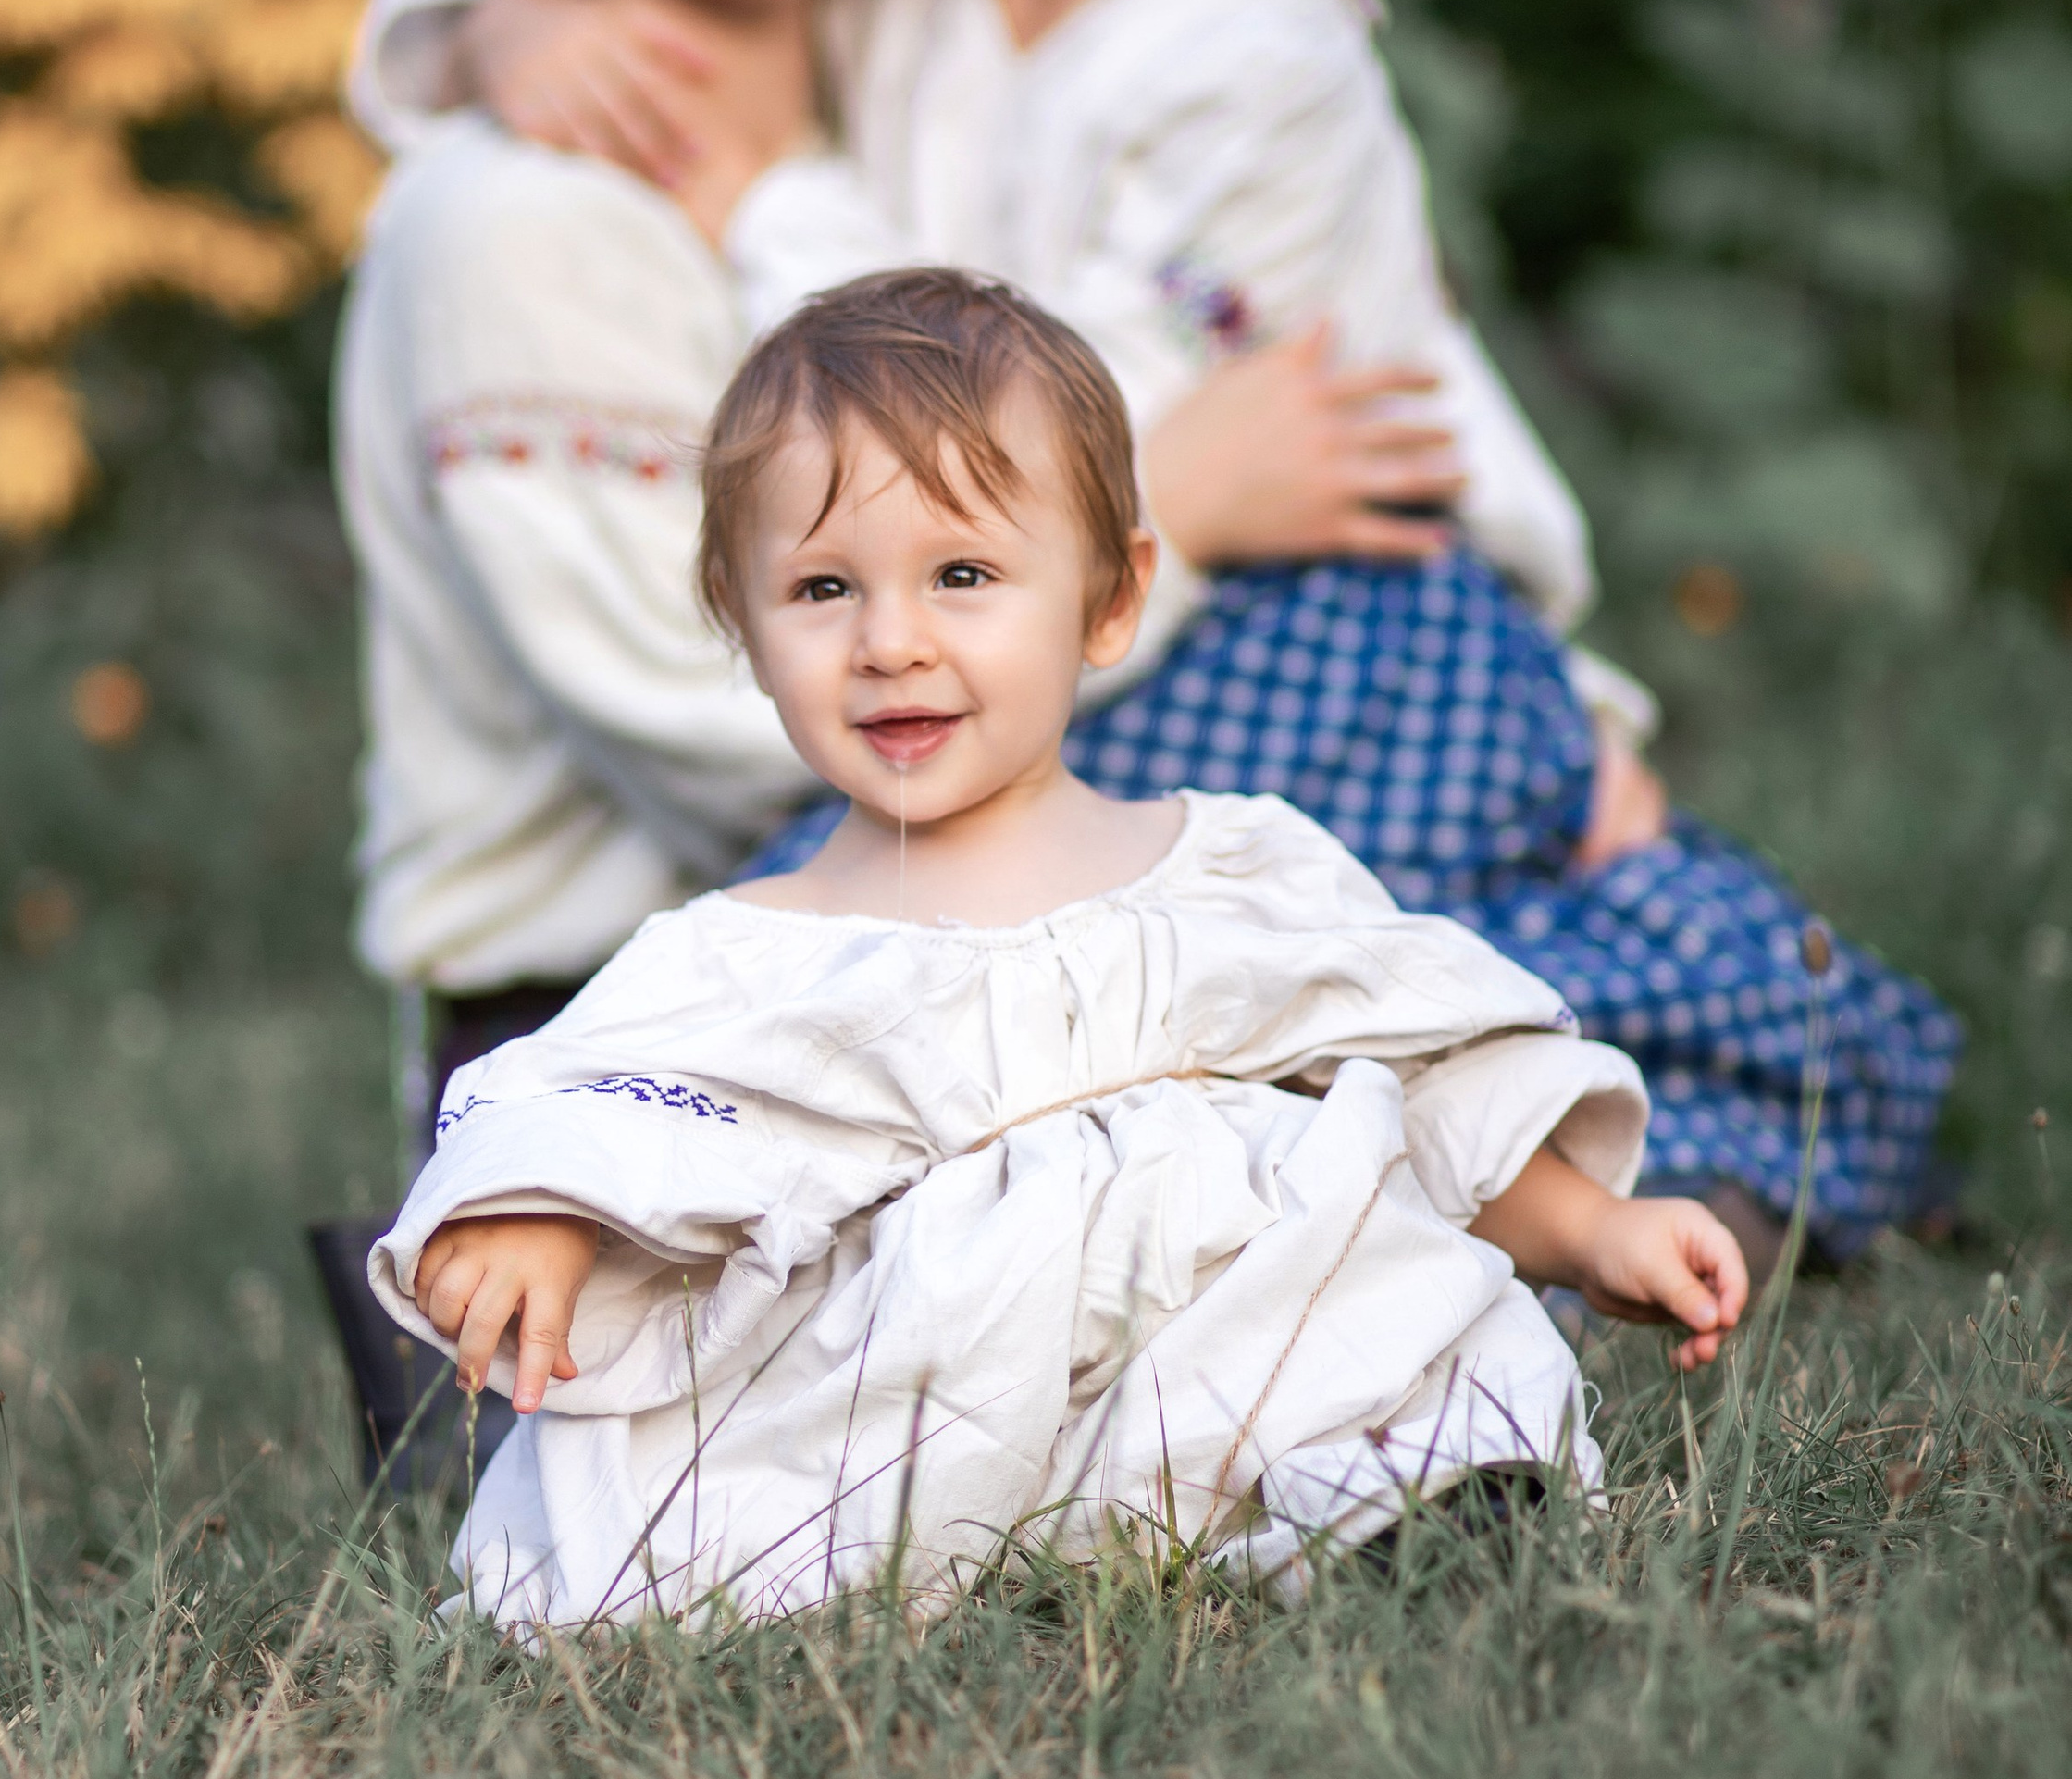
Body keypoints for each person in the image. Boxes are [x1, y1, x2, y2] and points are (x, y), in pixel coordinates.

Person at [355, 0, 1960, 1271]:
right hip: (1059, 642)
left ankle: (1679, 1190)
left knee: (1306, 1014)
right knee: (1128, 1062)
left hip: (1329, 634)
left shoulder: (1253, 53)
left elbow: (1040, 400)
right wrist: (480, 34)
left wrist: (745, 195)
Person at [317, 0, 1433, 1474]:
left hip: (962, 937)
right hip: (649, 1025)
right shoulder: (523, 221)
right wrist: (1172, 517)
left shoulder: (887, 26)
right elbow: (717, 733)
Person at [377, 276, 1746, 1631]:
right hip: (923, 1425)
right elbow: (602, 1110)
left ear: (1108, 600)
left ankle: (1417, 1509)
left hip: (1237, 1361)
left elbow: (1426, 1099)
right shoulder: (746, 952)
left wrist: (1591, 1230)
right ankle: (882, 1578)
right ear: (742, 626)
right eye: (821, 588)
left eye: (962, 575)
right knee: (735, 1492)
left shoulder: (1231, 868)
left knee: (1389, 1316)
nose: (891, 642)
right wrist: (539, 1213)